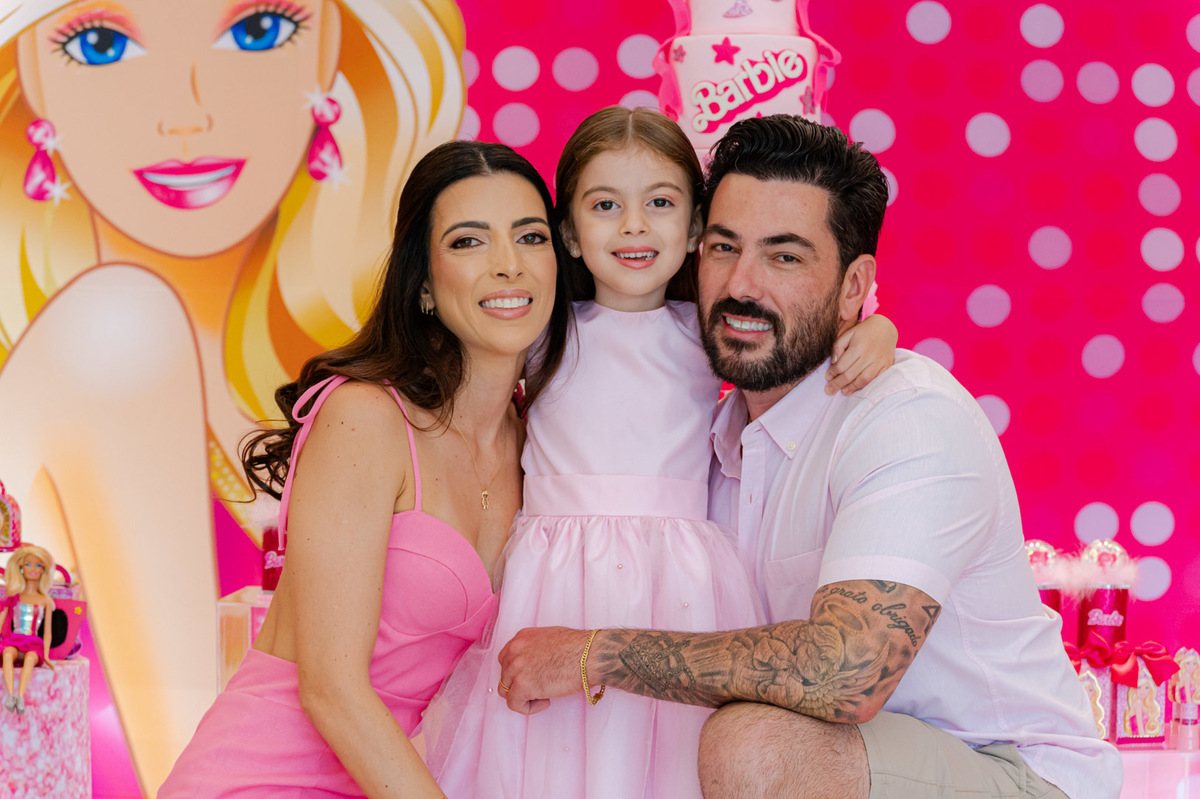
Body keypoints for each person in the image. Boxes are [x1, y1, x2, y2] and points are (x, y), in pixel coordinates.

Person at [497, 115, 1122, 799]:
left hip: (1007, 769)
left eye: (785, 257)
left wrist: (595, 653)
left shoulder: (909, 418)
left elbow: (844, 674)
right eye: (724, 247)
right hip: (854, 755)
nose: (741, 284)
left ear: (854, 287)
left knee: (754, 748)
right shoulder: (712, 441)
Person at [0, 0, 462, 786]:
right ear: (32, 76)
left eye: (257, 30)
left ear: (331, 50)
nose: (187, 113)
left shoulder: (366, 382)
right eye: (102, 43)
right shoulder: (109, 336)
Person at [424, 107, 898, 799]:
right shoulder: (543, 329)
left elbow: (811, 323)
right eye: (605, 205)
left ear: (697, 227)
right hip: (554, 578)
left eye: (661, 204)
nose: (634, 227)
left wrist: (877, 328)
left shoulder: (708, 330)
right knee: (549, 754)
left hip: (680, 586)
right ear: (568, 233)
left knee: (667, 755)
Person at [158, 139, 571, 797]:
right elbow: (331, 687)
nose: (507, 264)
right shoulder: (367, 417)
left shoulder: (538, 446)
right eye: (469, 241)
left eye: (530, 237)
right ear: (424, 285)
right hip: (260, 778)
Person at [1, 544, 57, 715]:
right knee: (8, 654)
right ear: (21, 568)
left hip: (33, 643)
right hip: (14, 640)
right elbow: (2, 619)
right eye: (28, 564)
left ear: (43, 571)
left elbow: (47, 632)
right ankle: (10, 695)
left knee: (31, 658)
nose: (33, 569)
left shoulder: (45, 601)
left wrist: (46, 655)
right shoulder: (14, 596)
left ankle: (20, 697)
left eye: (38, 565)